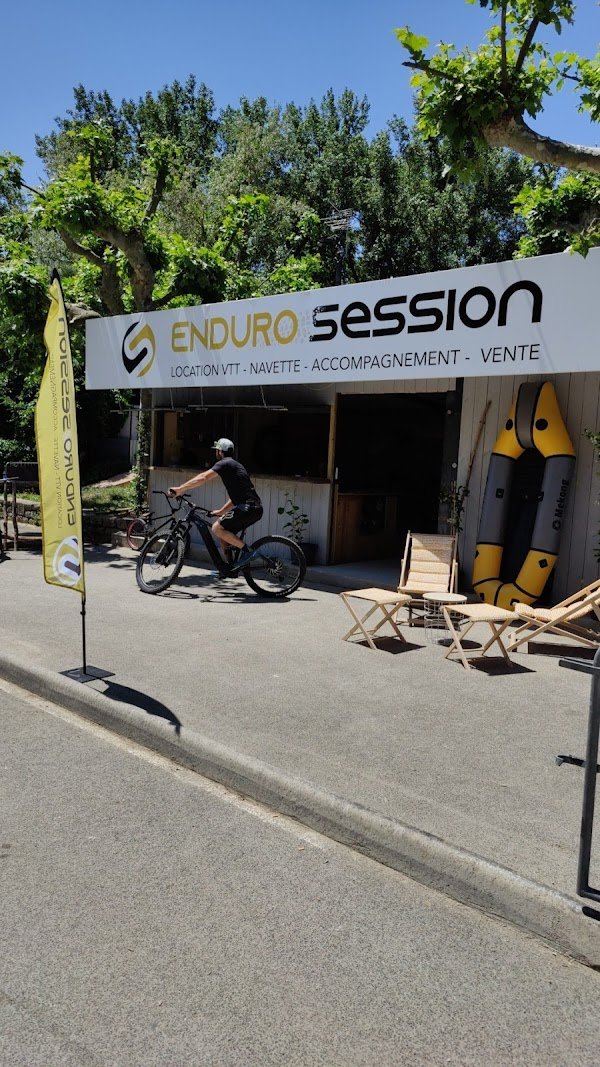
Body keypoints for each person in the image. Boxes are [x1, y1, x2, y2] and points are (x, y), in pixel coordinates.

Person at [168, 438, 263, 569]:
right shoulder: (234, 465)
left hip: (248, 507)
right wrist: (221, 511)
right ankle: (229, 567)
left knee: (216, 528)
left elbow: (203, 477)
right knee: (223, 531)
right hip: (253, 507)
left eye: (217, 451)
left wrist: (180, 489)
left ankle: (249, 552)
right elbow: (236, 498)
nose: (216, 453)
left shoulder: (225, 463)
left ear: (220, 451)